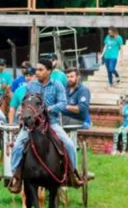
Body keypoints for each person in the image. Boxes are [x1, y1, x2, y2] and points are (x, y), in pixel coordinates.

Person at [7, 59, 83, 193]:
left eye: (41, 70)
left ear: (49, 71)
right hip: (32, 125)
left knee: (69, 144)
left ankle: (73, 173)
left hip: (51, 122)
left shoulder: (57, 85)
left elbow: (63, 103)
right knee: (18, 145)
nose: (37, 72)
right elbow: (25, 103)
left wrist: (48, 109)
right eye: (36, 69)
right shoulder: (31, 86)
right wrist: (21, 114)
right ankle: (16, 176)